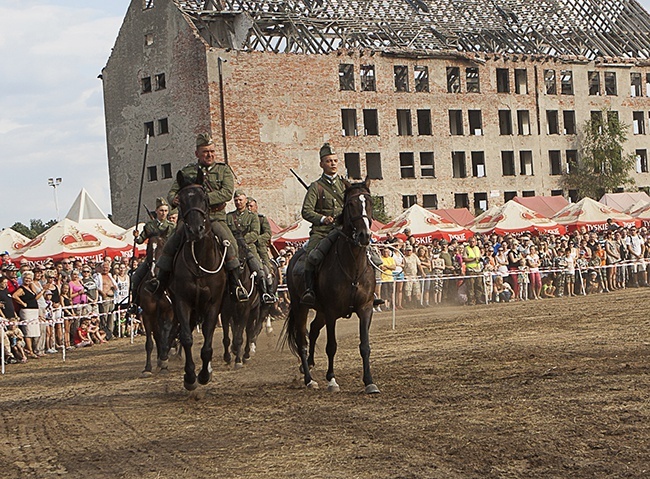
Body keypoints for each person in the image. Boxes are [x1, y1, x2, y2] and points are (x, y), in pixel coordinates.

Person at [147, 133, 247, 302]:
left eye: (212, 151)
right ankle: (160, 282)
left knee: (229, 243)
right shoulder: (187, 171)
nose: (210, 155)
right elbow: (172, 192)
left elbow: (227, 193)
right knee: (171, 243)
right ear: (197, 154)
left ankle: (236, 285)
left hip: (215, 218)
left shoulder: (223, 171)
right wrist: (174, 199)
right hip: (190, 219)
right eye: (205, 152)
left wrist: (201, 199)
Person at [299, 142, 346, 306]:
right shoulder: (316, 187)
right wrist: (322, 219)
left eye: (335, 160)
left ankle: (368, 290)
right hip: (322, 232)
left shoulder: (345, 185)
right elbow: (306, 211)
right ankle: (310, 291)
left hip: (342, 230)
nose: (332, 164)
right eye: (328, 161)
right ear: (321, 164)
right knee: (311, 256)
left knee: (368, 253)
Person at [226, 190, 275, 303]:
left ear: (245, 201)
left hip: (249, 249)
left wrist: (241, 241)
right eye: (236, 200)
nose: (238, 202)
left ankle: (266, 295)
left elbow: (255, 233)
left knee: (259, 271)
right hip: (233, 250)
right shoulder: (228, 217)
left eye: (240, 200)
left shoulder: (253, 217)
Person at [130, 197, 175, 308]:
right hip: (152, 258)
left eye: (165, 211)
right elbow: (140, 240)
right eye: (161, 210)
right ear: (156, 211)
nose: (163, 213)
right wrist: (136, 237)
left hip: (167, 257)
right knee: (135, 278)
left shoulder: (171, 226)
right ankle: (135, 304)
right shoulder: (149, 226)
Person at [247, 197, 278, 302]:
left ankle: (268, 293)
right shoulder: (244, 219)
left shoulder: (261, 219)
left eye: (251, 206)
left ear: (256, 207)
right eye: (247, 206)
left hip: (260, 248)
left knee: (266, 270)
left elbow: (267, 233)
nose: (249, 208)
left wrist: (256, 239)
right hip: (247, 247)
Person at [12, 271, 43, 359]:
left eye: (29, 278)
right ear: (22, 278)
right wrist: (22, 303)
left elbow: (35, 297)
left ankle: (32, 349)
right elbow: (14, 296)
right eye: (26, 278)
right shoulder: (21, 288)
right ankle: (30, 351)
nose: (28, 280)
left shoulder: (30, 287)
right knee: (28, 332)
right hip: (27, 311)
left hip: (34, 311)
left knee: (34, 332)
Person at [462, 236, 484, 306]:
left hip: (478, 269)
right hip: (470, 270)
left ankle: (479, 299)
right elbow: (464, 259)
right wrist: (473, 259)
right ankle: (471, 300)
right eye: (471, 241)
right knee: (470, 286)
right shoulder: (466, 249)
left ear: (476, 242)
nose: (472, 243)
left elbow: (479, 257)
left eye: (473, 241)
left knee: (479, 285)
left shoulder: (477, 248)